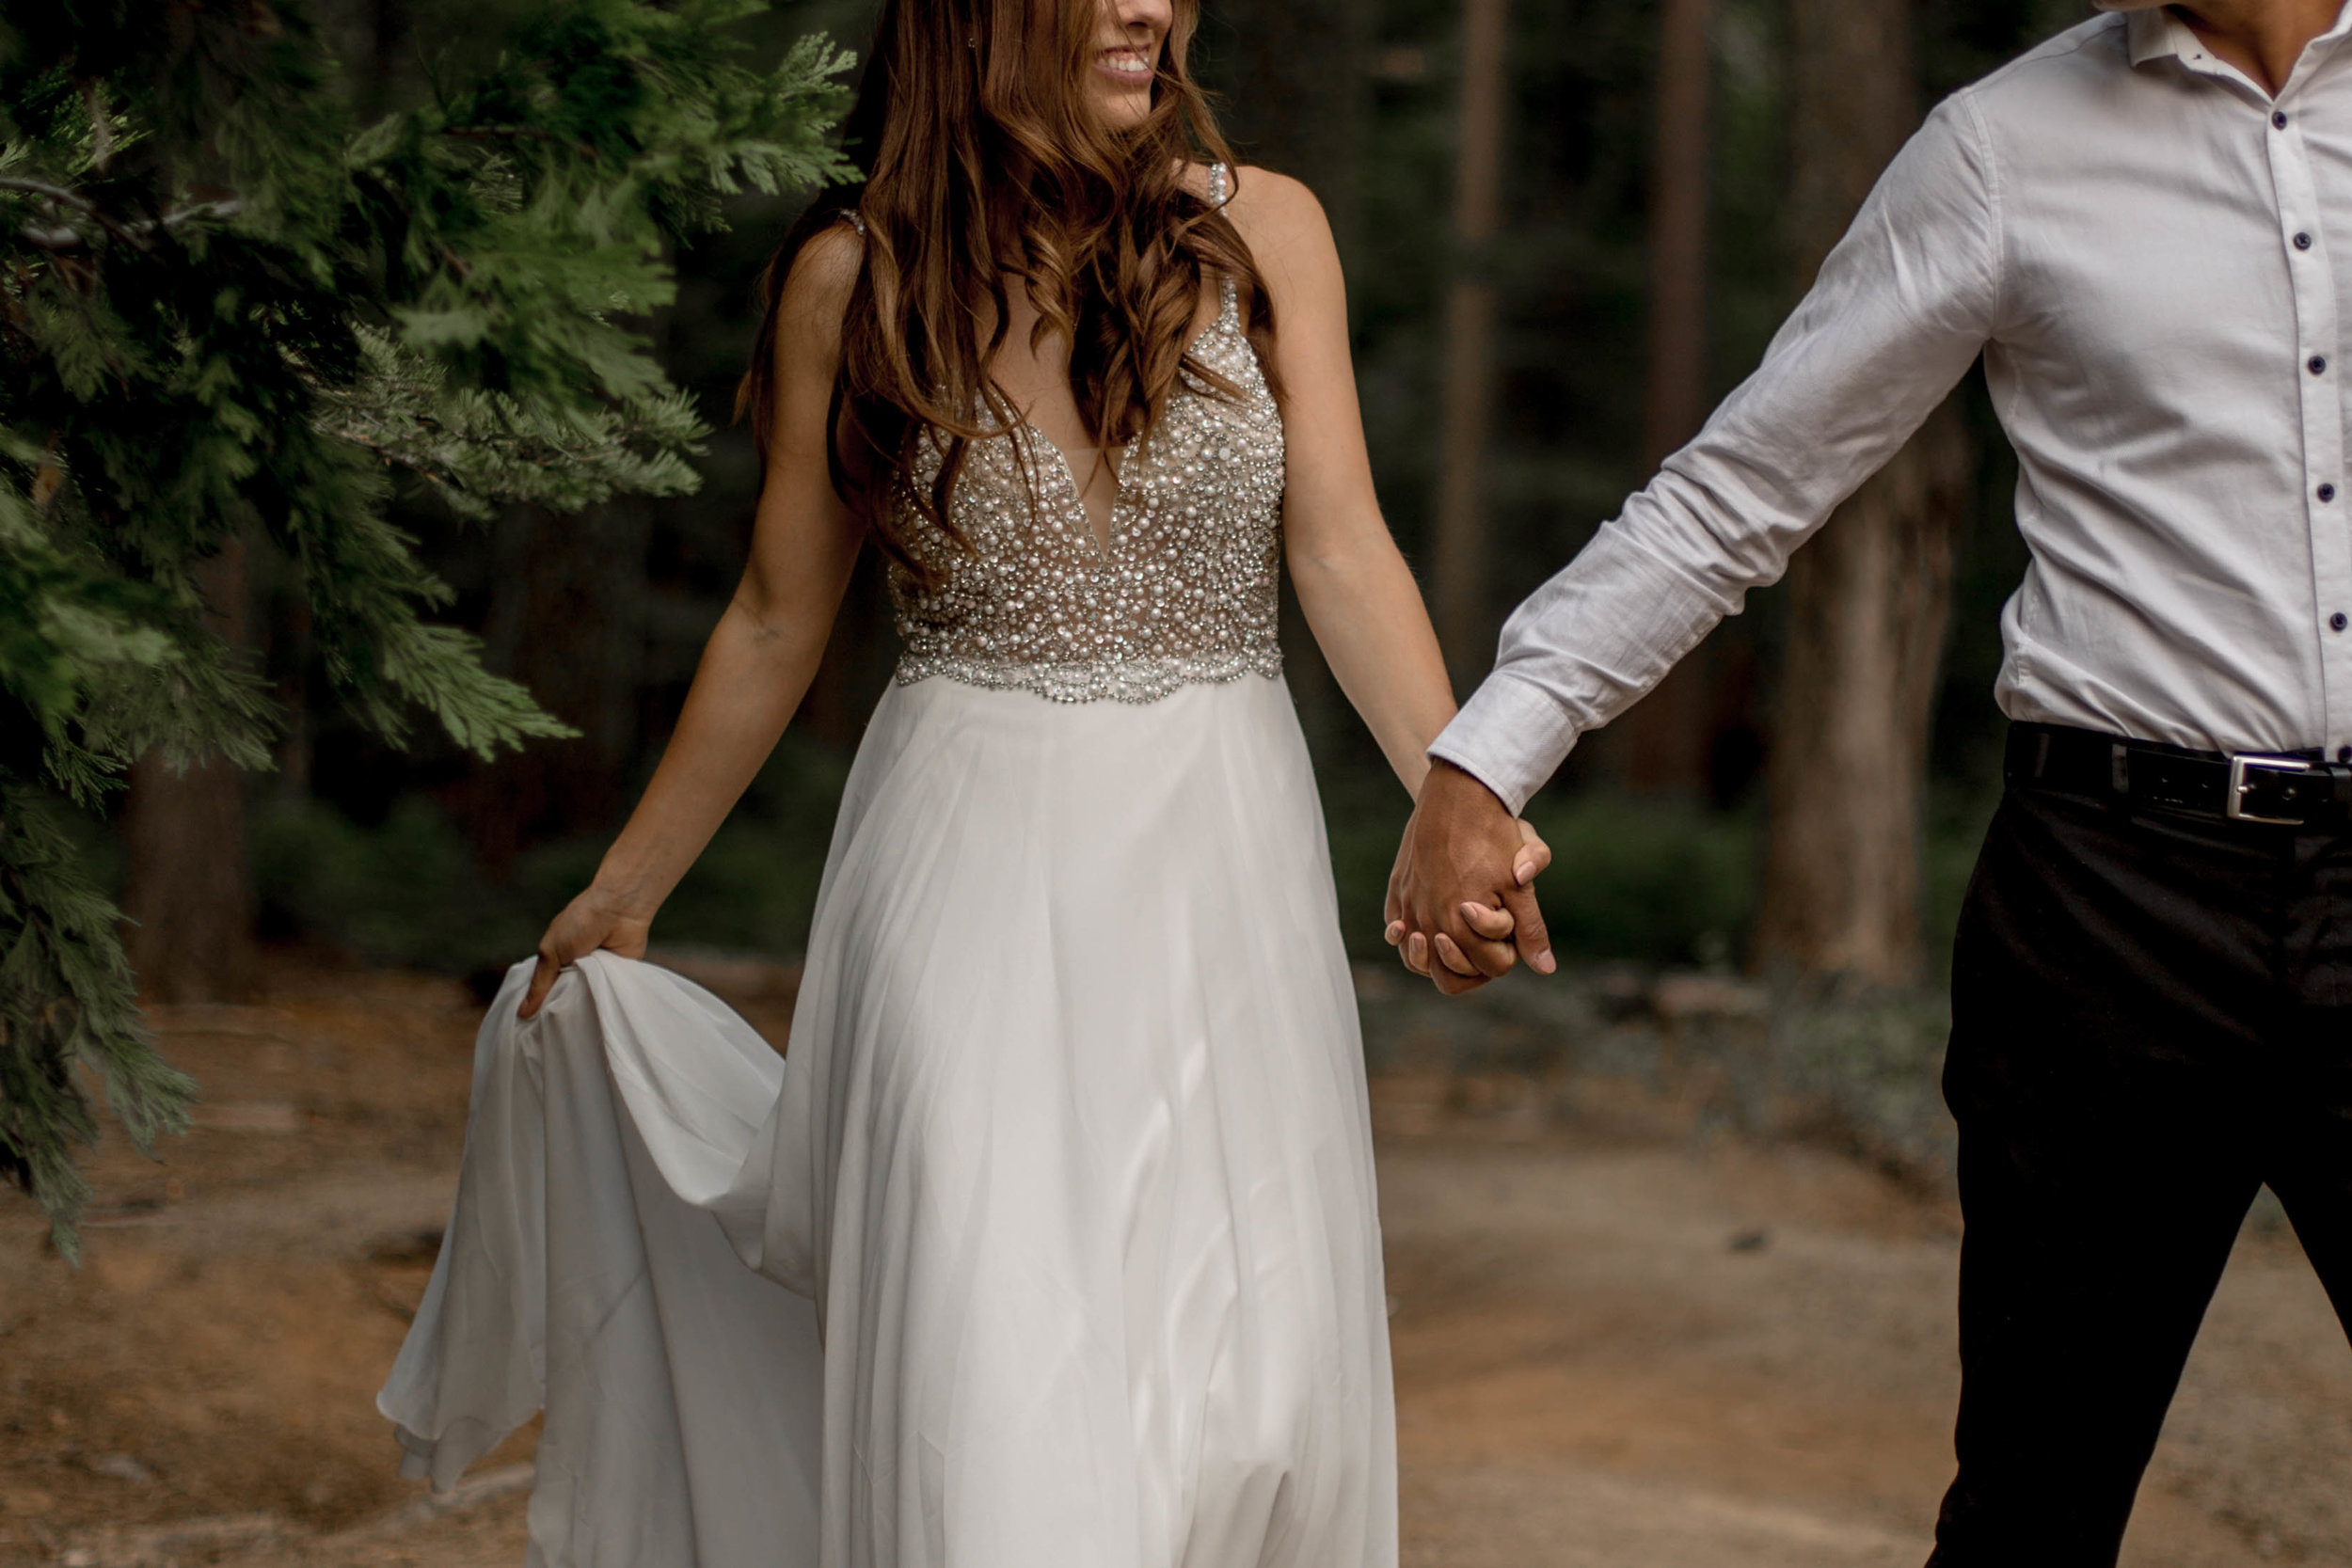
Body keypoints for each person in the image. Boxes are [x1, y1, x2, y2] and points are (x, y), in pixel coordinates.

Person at [377, 0, 1553, 1562]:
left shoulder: (1264, 231)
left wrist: (1457, 794)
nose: (1154, 5)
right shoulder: (851, 278)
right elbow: (781, 613)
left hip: (1223, 870)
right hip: (962, 875)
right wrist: (627, 886)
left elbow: (1339, 545)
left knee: (1249, 1397)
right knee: (990, 1381)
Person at [1390, 0, 2352, 1562]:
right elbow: (1745, 486)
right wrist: (1490, 751)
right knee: (2035, 1507)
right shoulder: (2003, 147)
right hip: (2113, 910)